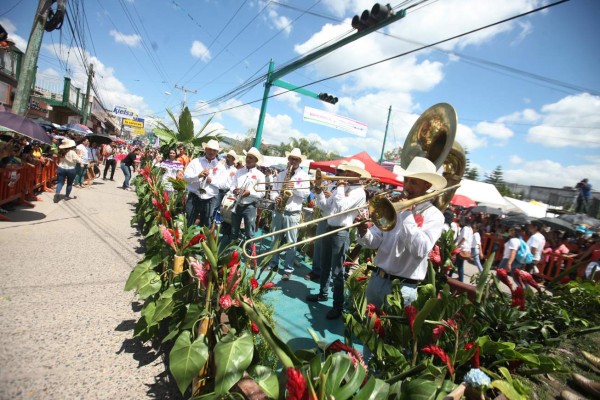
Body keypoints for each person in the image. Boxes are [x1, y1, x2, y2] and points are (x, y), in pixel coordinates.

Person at [357, 157, 447, 308]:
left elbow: (420, 250)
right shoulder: (394, 207)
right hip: (377, 280)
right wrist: (363, 231)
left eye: (413, 182)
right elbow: (375, 241)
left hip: (403, 288)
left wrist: (406, 214)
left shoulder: (435, 216)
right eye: (406, 180)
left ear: (427, 185)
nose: (407, 186)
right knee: (366, 326)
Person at [307, 159, 369, 320]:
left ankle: (337, 305)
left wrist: (340, 187)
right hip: (329, 227)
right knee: (325, 264)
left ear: (356, 174)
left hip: (341, 232)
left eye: (348, 172)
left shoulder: (359, 192)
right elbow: (326, 208)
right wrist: (319, 191)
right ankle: (323, 293)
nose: (343, 174)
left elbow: (341, 207)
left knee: (337, 271)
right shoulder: (341, 188)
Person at [268, 148, 311, 281]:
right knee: (275, 238)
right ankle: (272, 263)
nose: (293, 161)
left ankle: (288, 269)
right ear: (288, 159)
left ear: (299, 161)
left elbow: (306, 194)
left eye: (296, 159)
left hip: (293, 212)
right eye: (291, 158)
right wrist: (275, 197)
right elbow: (274, 190)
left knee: (291, 242)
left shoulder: (303, 176)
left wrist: (295, 188)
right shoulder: (282, 174)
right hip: (279, 210)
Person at [183, 139, 228, 227]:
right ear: (205, 149)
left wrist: (211, 181)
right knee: (189, 221)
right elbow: (186, 177)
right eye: (210, 149)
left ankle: (203, 240)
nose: (211, 152)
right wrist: (198, 176)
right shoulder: (195, 162)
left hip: (210, 198)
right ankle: (187, 240)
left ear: (217, 152)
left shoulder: (221, 167)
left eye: (214, 150)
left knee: (206, 224)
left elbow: (224, 185)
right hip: (194, 196)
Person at [227, 147, 265, 249]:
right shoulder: (239, 172)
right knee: (234, 231)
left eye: (251, 158)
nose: (248, 159)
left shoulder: (260, 175)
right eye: (247, 157)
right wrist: (234, 190)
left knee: (250, 233)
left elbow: (262, 192)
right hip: (237, 204)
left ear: (256, 161)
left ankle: (250, 255)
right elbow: (232, 185)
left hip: (250, 206)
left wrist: (250, 193)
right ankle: (231, 252)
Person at [451, 217, 473, 281]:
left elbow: (464, 238)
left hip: (462, 248)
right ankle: (450, 275)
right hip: (466, 248)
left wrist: (458, 246)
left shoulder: (465, 228)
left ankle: (460, 279)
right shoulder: (470, 229)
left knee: (459, 265)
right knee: (455, 263)